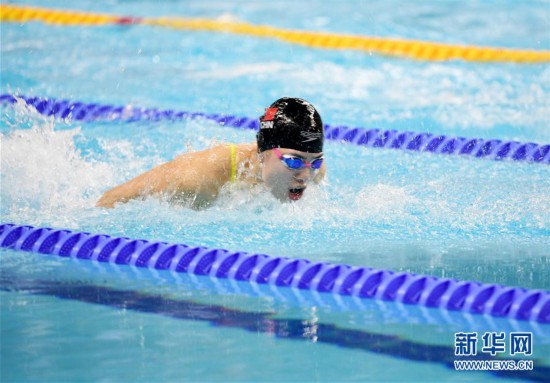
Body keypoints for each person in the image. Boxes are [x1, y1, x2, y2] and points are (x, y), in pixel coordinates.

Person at [96, 97, 326, 209]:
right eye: (294, 162)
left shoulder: (315, 171)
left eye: (314, 163)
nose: (306, 176)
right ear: (262, 153)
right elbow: (109, 202)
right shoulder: (197, 180)